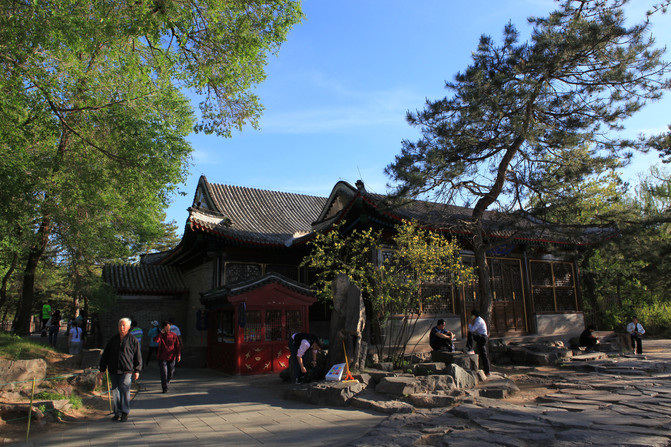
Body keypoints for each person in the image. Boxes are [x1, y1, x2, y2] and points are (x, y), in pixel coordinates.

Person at [98, 317, 142, 422]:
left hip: (127, 370)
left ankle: (125, 412)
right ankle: (117, 412)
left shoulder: (132, 340)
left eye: (124, 325)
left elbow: (138, 355)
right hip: (114, 369)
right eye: (120, 325)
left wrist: (137, 370)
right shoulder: (113, 340)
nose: (121, 327)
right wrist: (102, 369)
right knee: (115, 390)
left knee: (124, 388)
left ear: (128, 327)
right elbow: (106, 355)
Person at [153, 321, 181, 393]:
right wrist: (160, 333)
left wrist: (178, 354)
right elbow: (156, 340)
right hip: (162, 356)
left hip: (171, 356)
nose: (168, 328)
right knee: (164, 373)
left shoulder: (173, 335)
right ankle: (164, 387)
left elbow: (177, 345)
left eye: (169, 326)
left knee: (171, 372)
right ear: (164, 327)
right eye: (167, 326)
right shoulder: (161, 335)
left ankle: (167, 381)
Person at [465, 309, 490, 376]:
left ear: (474, 315)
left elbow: (472, 330)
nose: (471, 317)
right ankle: (487, 371)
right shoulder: (477, 320)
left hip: (482, 337)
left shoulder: (478, 320)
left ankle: (470, 348)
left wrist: (469, 323)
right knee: (483, 354)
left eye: (471, 316)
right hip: (480, 337)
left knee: (470, 333)